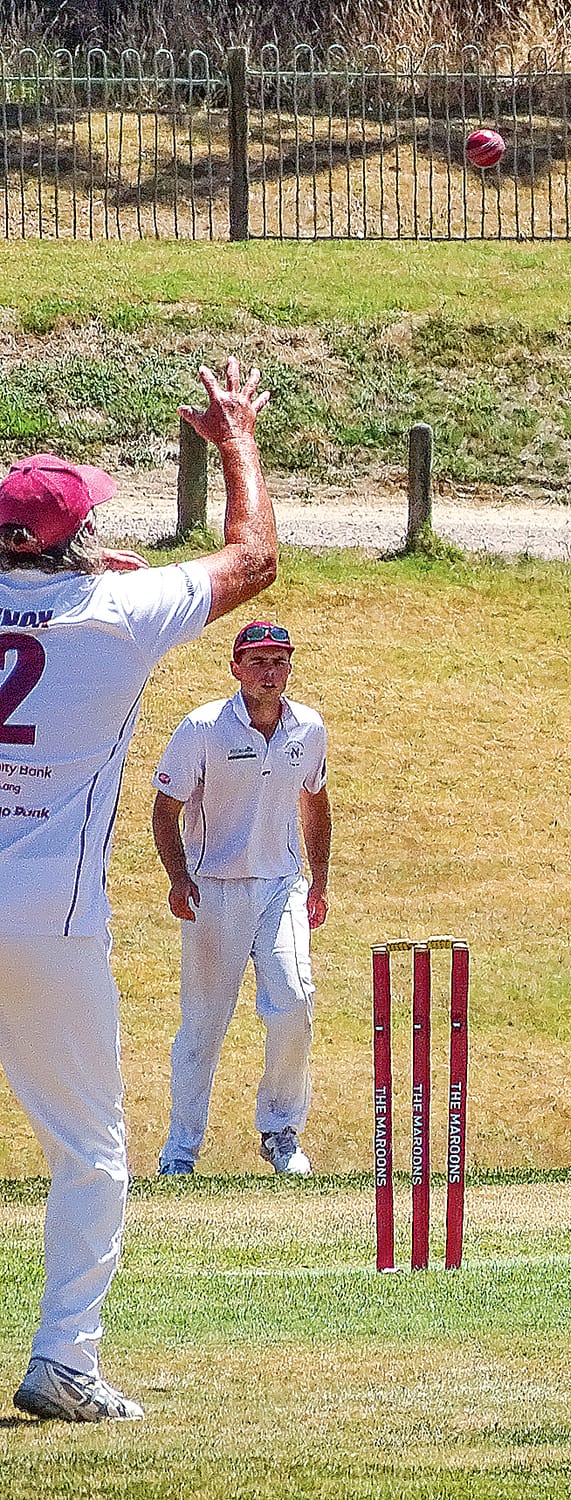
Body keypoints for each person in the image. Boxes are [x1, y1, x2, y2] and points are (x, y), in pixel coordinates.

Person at [0, 359, 277, 1423]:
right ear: (77, 542)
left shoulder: (108, 599)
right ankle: (63, 1358)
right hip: (48, 923)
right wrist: (236, 437)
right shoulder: (118, 612)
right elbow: (252, 560)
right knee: (89, 1153)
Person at [152, 620, 329, 1179]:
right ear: (235, 668)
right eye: (257, 660)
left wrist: (318, 881)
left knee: (296, 1001)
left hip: (281, 885)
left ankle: (280, 1131)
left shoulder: (308, 728)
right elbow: (164, 810)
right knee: (203, 1025)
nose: (268, 671)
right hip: (215, 892)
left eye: (278, 661)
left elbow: (315, 802)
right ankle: (180, 1154)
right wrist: (180, 878)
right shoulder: (203, 728)